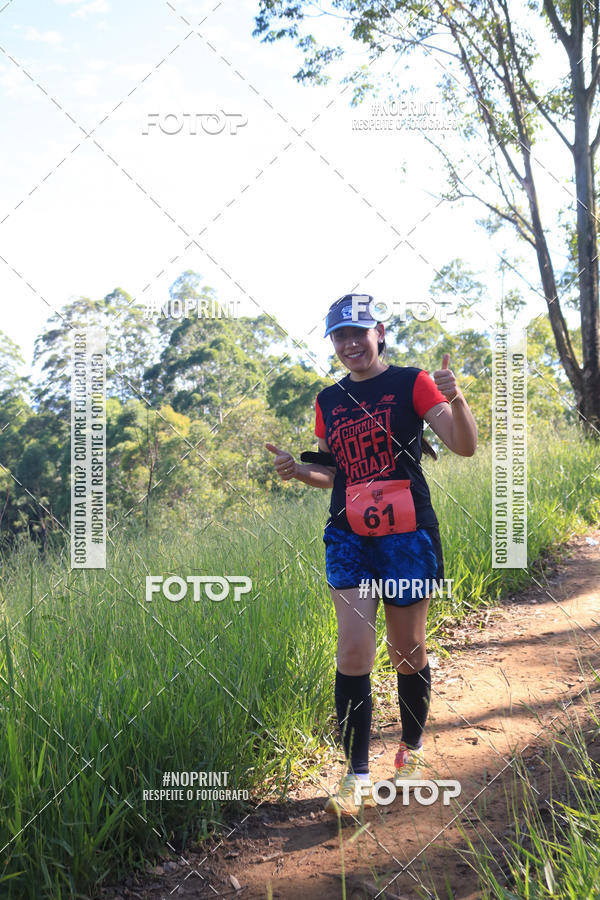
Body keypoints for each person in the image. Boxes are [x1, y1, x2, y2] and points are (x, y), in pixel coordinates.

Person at [266, 294, 477, 816]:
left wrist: (459, 400)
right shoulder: (329, 400)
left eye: (358, 332)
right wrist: (298, 471)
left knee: (407, 648)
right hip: (348, 536)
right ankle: (356, 777)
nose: (350, 344)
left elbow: (464, 445)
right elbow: (333, 475)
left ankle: (412, 751)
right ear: (333, 343)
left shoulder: (413, 381)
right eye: (340, 336)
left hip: (407, 534)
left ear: (379, 332)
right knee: (353, 651)